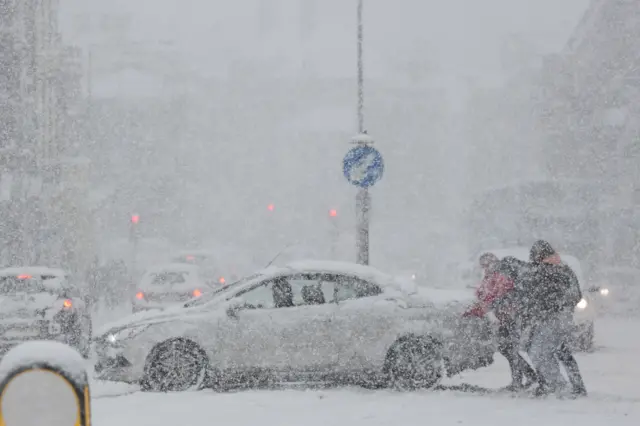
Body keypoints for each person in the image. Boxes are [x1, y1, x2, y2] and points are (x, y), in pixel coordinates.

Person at [518, 240, 585, 397]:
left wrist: (551, 307)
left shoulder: (550, 271)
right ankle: (572, 386)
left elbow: (537, 297)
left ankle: (558, 386)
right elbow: (574, 295)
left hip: (551, 319)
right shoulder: (560, 269)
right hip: (556, 318)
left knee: (539, 352)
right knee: (559, 352)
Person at [463, 254, 538, 390]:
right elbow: (486, 297)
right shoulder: (490, 276)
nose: (485, 267)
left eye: (487, 264)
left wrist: (489, 305)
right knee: (507, 349)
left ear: (493, 262)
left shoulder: (501, 275)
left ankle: (521, 380)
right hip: (504, 317)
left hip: (511, 316)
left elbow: (502, 296)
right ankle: (525, 378)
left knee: (509, 349)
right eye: (483, 265)